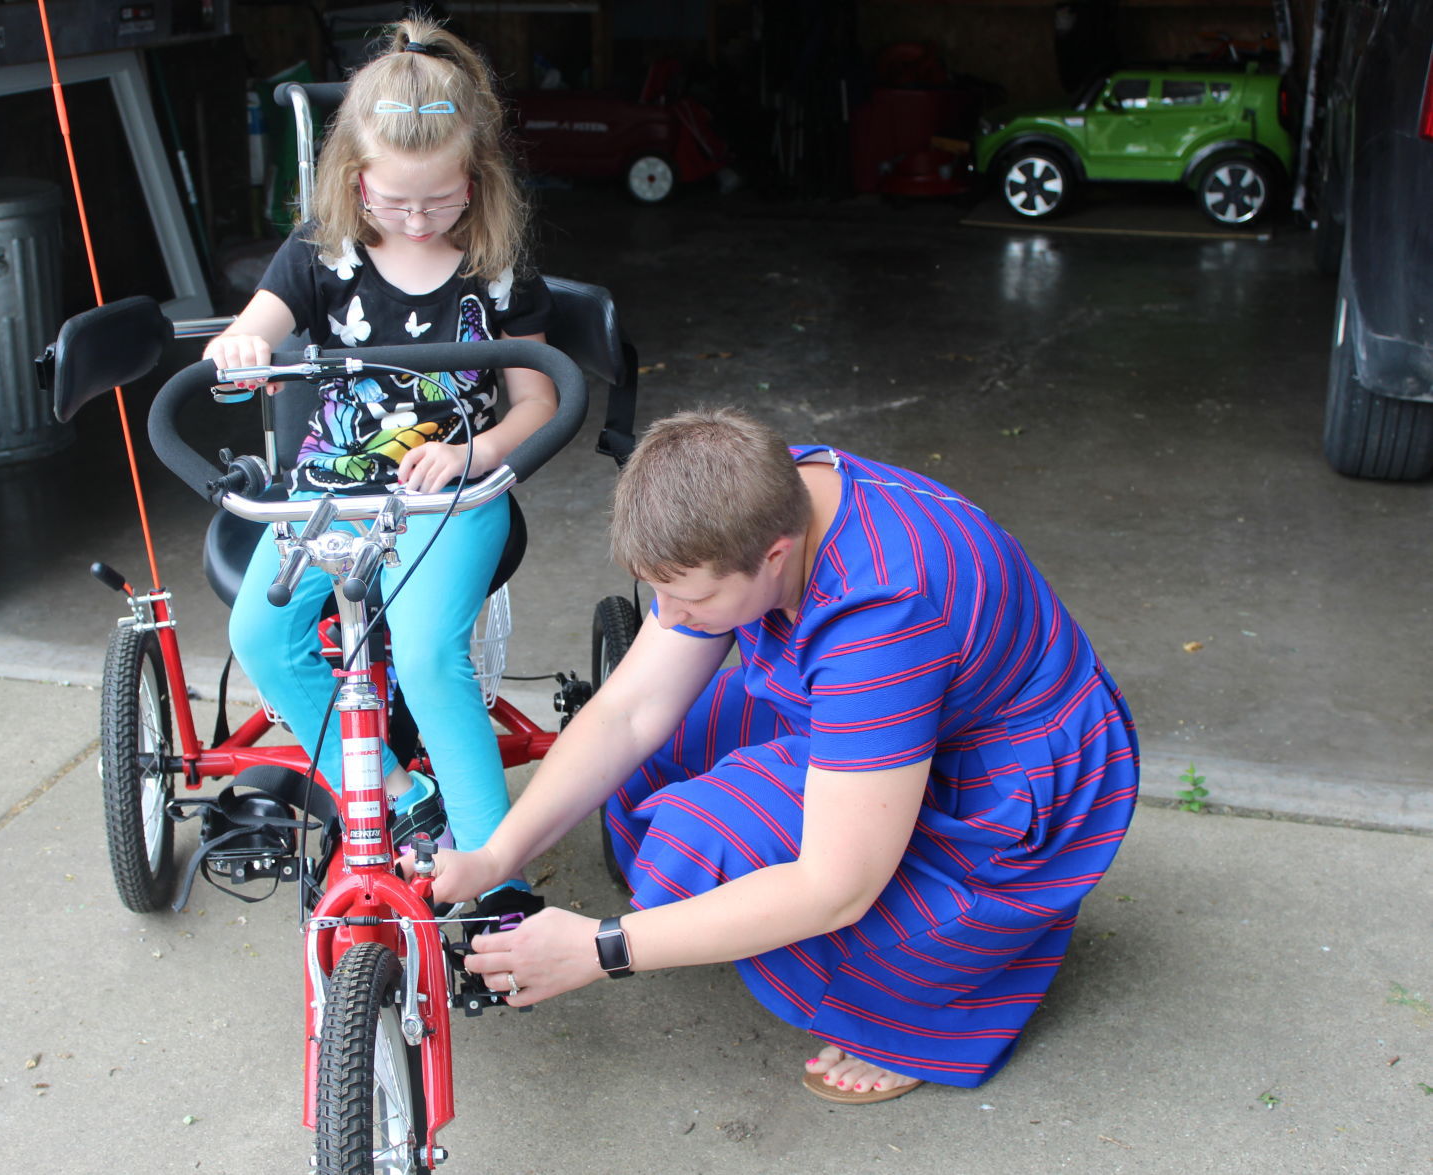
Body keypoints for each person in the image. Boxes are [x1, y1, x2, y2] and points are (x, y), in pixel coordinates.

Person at [428, 406, 1140, 1101]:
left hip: (1006, 787)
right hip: (888, 704)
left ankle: (918, 1005)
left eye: (689, 598)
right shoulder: (762, 492)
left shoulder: (882, 613)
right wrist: (496, 855)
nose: (668, 618)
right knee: (656, 750)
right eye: (658, 592)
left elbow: (837, 885)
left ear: (773, 555)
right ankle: (720, 914)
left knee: (706, 835)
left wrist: (602, 949)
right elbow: (629, 710)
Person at [205, 16, 555, 916]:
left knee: (433, 656)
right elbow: (257, 327)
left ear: (472, 183)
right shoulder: (324, 252)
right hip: (328, 494)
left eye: (437, 201)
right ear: (353, 179)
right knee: (262, 639)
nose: (413, 218)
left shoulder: (494, 265)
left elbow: (538, 398)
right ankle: (403, 795)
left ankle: (495, 875)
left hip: (454, 493)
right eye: (393, 201)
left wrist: (471, 451)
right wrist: (245, 346)